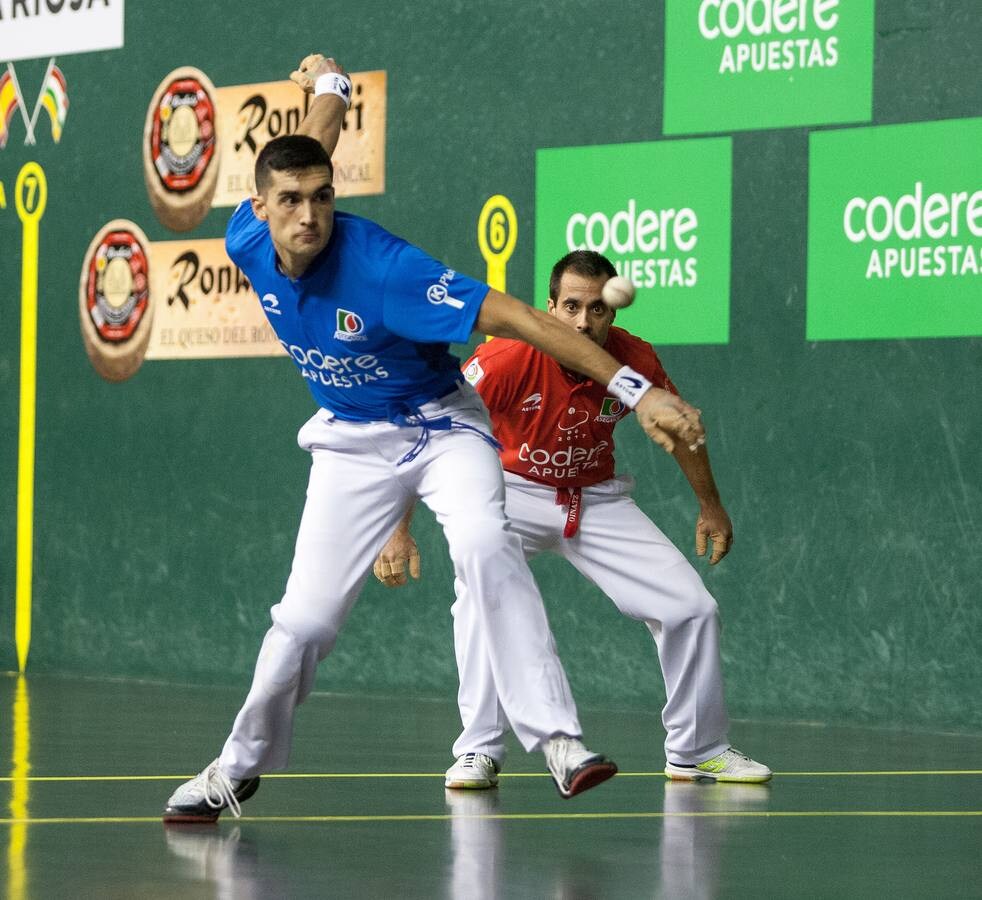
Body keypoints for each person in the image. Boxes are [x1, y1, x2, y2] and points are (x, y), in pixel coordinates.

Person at [162, 55, 707, 823]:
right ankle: (235, 768)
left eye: (324, 199)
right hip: (351, 442)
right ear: (260, 207)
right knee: (305, 622)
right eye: (290, 201)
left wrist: (637, 389)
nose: (310, 216)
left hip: (441, 424)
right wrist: (328, 89)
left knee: (487, 540)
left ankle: (557, 739)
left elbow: (525, 320)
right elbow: (308, 144)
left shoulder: (389, 270)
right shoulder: (251, 240)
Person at [374, 250, 771, 788]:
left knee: (692, 608)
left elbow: (680, 430)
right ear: (550, 307)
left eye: (597, 310)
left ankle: (697, 749)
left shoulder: (635, 360)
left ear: (613, 310)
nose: (584, 322)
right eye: (571, 308)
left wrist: (710, 504)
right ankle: (479, 749)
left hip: (596, 498)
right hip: (512, 490)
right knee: (479, 592)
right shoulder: (507, 359)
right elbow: (432, 432)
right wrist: (397, 528)